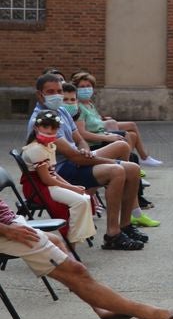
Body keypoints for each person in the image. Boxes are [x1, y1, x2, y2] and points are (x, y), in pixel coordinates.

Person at [0, 197, 173, 319]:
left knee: (56, 242)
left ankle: (102, 308)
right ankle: (146, 314)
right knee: (76, 271)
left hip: (11, 223)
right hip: (7, 230)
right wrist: (7, 231)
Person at [28, 73, 151, 247]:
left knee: (131, 165)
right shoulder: (42, 121)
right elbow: (71, 156)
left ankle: (126, 225)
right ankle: (112, 235)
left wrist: (85, 150)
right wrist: (107, 161)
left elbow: (80, 139)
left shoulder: (61, 110)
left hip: (77, 160)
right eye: (50, 91)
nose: (57, 95)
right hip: (60, 170)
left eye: (59, 90)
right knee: (118, 170)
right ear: (40, 94)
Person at [22, 110, 98, 249]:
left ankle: (73, 239)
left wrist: (70, 185)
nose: (49, 132)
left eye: (53, 130)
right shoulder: (36, 149)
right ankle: (71, 242)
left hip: (48, 183)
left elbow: (53, 173)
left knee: (85, 197)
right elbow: (46, 179)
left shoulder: (49, 145)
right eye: (45, 128)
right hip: (38, 188)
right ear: (36, 128)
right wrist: (72, 188)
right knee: (80, 201)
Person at [70, 71, 163, 166]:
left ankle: (133, 166)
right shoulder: (78, 107)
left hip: (101, 133)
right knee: (126, 135)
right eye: (82, 87)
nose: (86, 89)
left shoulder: (89, 104)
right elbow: (82, 133)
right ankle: (132, 165)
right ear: (76, 89)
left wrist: (104, 121)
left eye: (88, 86)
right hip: (94, 143)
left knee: (132, 135)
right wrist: (107, 137)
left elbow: (93, 121)